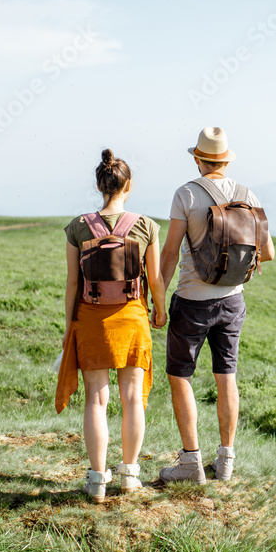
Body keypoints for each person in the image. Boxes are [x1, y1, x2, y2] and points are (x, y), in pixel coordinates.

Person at [157, 127, 275, 484]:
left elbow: (171, 251)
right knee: (227, 376)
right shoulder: (247, 194)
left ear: (197, 158)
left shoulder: (186, 195)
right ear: (225, 160)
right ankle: (225, 462)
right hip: (233, 300)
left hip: (192, 301)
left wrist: (159, 299)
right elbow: (267, 253)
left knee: (180, 376)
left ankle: (190, 463)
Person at [56, 149, 168, 502]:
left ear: (99, 185)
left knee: (96, 399)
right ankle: (130, 476)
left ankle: (95, 480)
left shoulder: (77, 226)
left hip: (90, 318)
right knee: (133, 398)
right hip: (132, 316)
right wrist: (160, 309)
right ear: (128, 185)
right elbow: (156, 278)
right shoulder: (147, 226)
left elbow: (73, 283)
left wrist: (70, 323)